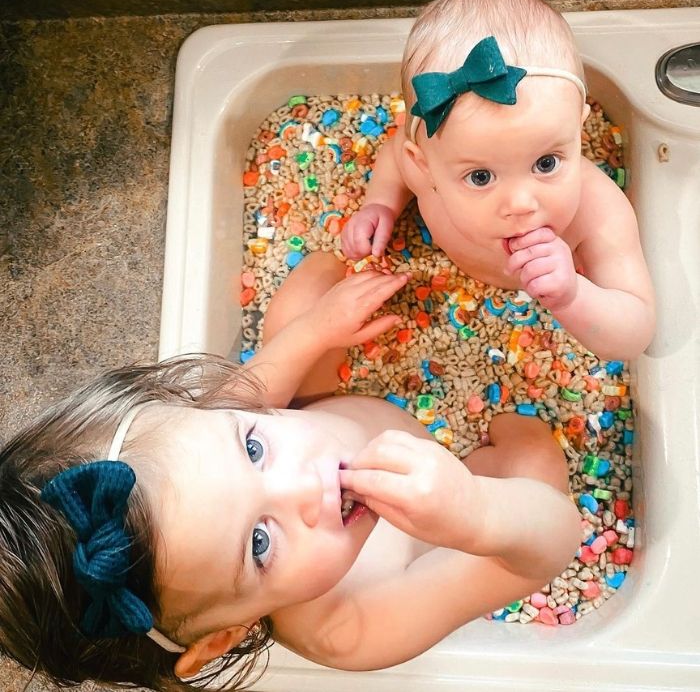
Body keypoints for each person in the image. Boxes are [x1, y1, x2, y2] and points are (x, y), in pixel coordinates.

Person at [0, 251, 581, 692]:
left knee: (306, 298)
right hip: (440, 506)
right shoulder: (349, 628)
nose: (307, 482)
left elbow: (258, 387)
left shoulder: (210, 425)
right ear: (223, 637)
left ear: (185, 400)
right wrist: (474, 512)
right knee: (532, 461)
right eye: (259, 543)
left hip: (335, 401)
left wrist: (318, 329)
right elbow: (546, 551)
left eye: (253, 449)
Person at [341, 0, 655, 361]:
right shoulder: (421, 165)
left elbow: (636, 334)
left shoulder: (598, 212)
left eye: (546, 163)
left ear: (578, 132)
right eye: (480, 177)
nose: (521, 203)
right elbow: (394, 158)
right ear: (425, 164)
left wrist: (574, 296)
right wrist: (381, 203)